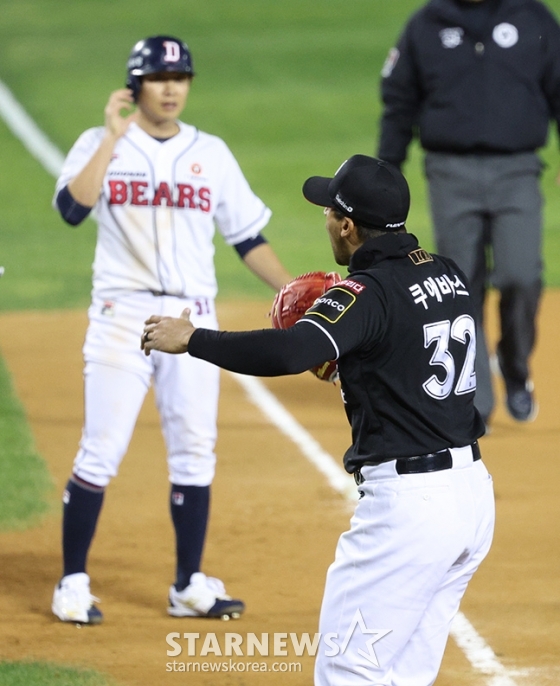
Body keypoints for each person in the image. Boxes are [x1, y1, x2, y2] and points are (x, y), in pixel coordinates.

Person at [141, 155, 496, 686]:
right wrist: (351, 370)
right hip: (471, 498)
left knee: (348, 667)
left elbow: (289, 351)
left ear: (347, 225)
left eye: (329, 210)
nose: (325, 218)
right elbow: (410, 360)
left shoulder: (365, 294)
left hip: (412, 513)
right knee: (403, 673)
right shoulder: (447, 272)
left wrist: (192, 340)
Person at [51, 35, 292, 624]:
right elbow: (72, 208)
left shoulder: (210, 152)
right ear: (136, 86)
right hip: (121, 316)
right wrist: (111, 135)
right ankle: (72, 582)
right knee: (101, 450)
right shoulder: (99, 143)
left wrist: (289, 293)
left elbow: (247, 238)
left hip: (191, 319)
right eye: (159, 78)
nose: (171, 89)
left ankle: (188, 585)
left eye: (180, 78)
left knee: (194, 453)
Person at [377, 0, 560, 428]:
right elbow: (400, 99)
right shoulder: (427, 23)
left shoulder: (532, 18)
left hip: (517, 169)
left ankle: (515, 368)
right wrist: (387, 170)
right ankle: (475, 394)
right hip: (449, 172)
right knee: (461, 284)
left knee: (521, 275)